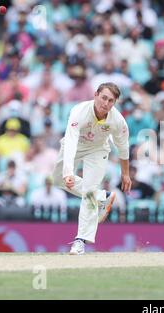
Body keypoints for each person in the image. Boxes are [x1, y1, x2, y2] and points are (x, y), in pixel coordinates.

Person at [52, 82, 131, 255]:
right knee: (58, 180)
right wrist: (68, 173)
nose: (106, 104)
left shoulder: (117, 120)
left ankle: (80, 241)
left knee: (88, 191)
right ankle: (102, 197)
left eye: (111, 101)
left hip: (97, 150)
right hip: (75, 145)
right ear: (95, 95)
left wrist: (125, 174)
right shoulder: (79, 111)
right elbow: (71, 141)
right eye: (104, 98)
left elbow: (123, 148)